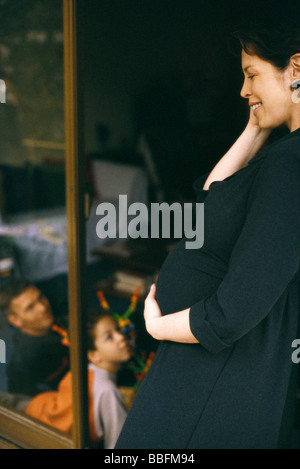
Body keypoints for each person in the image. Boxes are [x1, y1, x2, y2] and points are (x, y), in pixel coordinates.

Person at [115, 12, 300, 449]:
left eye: (251, 74)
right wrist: (255, 127)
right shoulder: (281, 156)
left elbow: (232, 311)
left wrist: (157, 328)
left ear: (297, 70)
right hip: (213, 373)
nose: (243, 90)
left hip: (215, 382)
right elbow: (210, 202)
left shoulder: (290, 166)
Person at [25, 311, 133, 449]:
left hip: (38, 411)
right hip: (39, 426)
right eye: (109, 337)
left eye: (117, 329)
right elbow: (120, 445)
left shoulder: (83, 370)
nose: (121, 336)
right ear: (93, 355)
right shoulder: (108, 391)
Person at [0, 278, 70, 397]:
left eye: (41, 297)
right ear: (15, 321)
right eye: (30, 308)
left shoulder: (57, 323)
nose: (42, 307)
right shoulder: (23, 364)